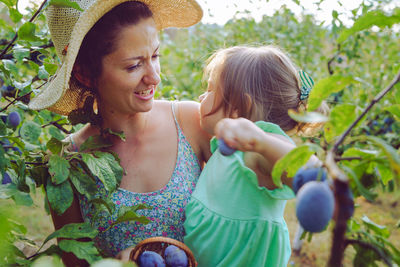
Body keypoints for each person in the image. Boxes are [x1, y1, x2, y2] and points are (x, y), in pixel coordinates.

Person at [28, 0, 211, 265]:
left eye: (155, 56)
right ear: (85, 74)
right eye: (134, 66)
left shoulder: (191, 121)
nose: (154, 77)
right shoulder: (67, 161)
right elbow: (75, 259)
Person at [183, 45, 328, 266]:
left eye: (211, 89)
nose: (202, 95)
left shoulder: (257, 151)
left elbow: (311, 170)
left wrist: (261, 142)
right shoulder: (229, 147)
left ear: (238, 109)